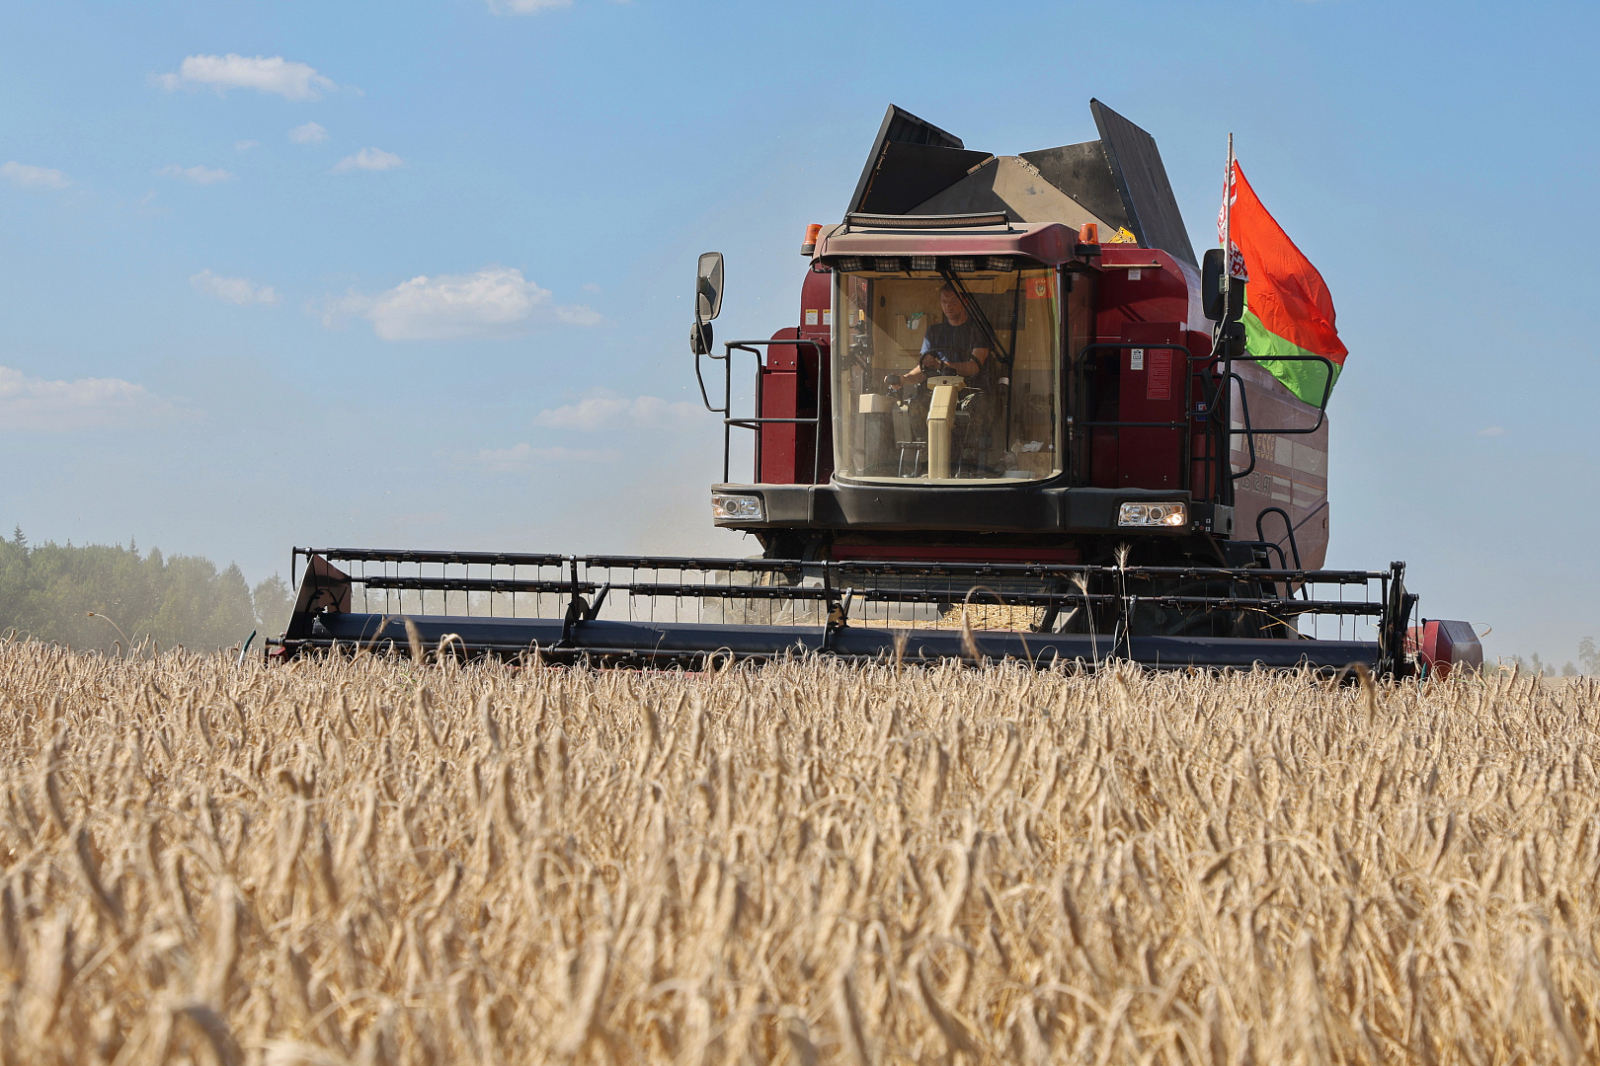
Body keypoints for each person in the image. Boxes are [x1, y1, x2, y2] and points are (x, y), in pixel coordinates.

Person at [885, 284, 992, 392]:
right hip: (939, 389)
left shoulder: (979, 329)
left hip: (972, 391)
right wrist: (904, 379)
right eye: (944, 302)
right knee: (917, 406)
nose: (948, 306)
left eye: (954, 301)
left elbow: (974, 367)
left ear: (965, 302)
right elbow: (924, 368)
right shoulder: (934, 331)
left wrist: (941, 365)